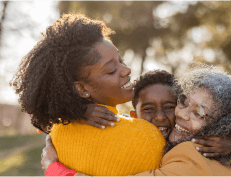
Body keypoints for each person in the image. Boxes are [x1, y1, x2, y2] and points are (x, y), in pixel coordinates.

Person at [11, 14, 167, 176]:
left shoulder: (56, 134)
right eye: (111, 70)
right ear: (81, 89)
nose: (126, 70)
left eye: (121, 60)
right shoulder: (147, 137)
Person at [42, 68, 231, 176]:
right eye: (184, 102)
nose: (180, 114)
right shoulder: (222, 151)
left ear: (224, 127)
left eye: (198, 113)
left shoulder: (193, 156)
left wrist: (54, 169)